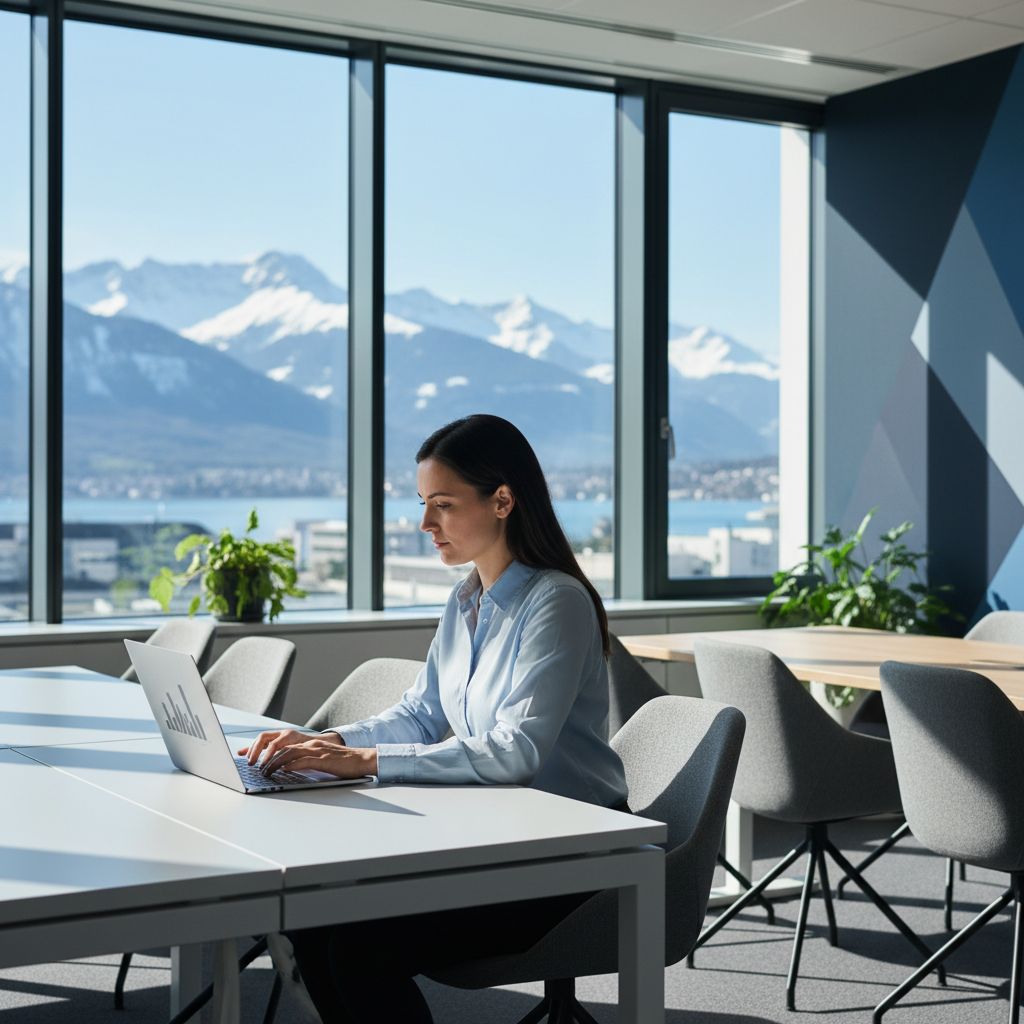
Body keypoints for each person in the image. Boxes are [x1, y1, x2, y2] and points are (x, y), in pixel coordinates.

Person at [239, 414, 628, 1023]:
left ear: (502, 500)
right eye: (424, 504)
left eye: (442, 505)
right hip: (500, 834)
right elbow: (422, 713)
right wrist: (328, 742)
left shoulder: (557, 602)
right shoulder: (467, 597)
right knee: (317, 922)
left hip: (571, 853)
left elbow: (516, 750)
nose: (425, 524)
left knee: (363, 948)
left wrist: (365, 762)